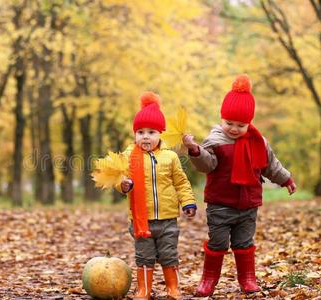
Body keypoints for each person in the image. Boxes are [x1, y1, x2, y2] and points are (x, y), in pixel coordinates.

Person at [182, 74, 297, 297]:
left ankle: (247, 279)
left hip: (248, 204)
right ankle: (208, 280)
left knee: (244, 242)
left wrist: (286, 180)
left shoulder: (258, 142)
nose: (234, 129)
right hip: (220, 204)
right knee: (218, 242)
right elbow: (207, 165)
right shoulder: (215, 140)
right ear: (221, 118)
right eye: (229, 123)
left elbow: (271, 165)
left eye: (240, 125)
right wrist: (195, 150)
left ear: (249, 123)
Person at [116, 91, 197, 300]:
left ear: (160, 133)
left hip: (168, 219)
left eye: (151, 132)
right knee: (144, 256)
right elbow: (119, 178)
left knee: (169, 254)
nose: (145, 136)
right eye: (140, 132)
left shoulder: (170, 157)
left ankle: (173, 288)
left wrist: (187, 201)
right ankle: (144, 289)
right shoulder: (128, 156)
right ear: (134, 134)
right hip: (142, 221)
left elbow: (180, 182)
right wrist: (123, 185)